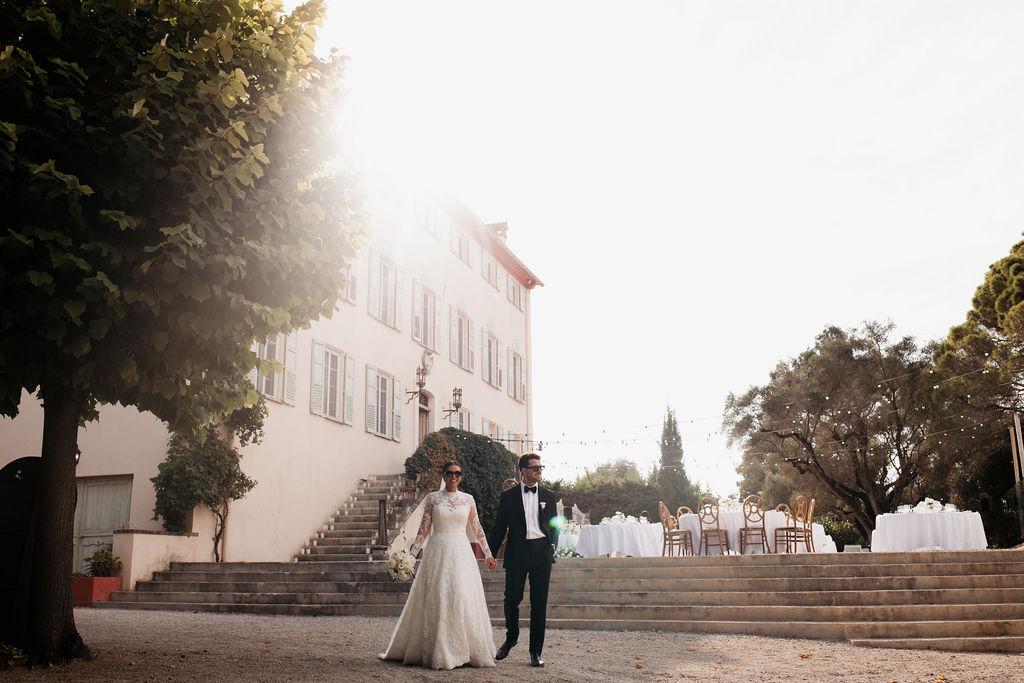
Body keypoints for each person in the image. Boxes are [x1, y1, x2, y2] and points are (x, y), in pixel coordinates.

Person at [379, 461, 499, 670]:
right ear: (443, 476)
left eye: (458, 473)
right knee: (439, 595)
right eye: (450, 473)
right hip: (437, 550)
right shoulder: (433, 498)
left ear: (461, 476)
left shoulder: (468, 499)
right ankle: (438, 648)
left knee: (461, 595)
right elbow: (423, 530)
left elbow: (476, 528)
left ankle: (465, 649)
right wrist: (410, 557)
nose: (454, 477)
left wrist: (488, 554)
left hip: (461, 552)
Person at [487, 452, 558, 668]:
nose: (539, 471)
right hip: (517, 551)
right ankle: (512, 637)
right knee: (512, 599)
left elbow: (555, 524)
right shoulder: (508, 497)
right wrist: (490, 553)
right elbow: (500, 527)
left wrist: (552, 547)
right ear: (523, 470)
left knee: (539, 604)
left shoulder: (549, 495)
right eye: (535, 468)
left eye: (541, 467)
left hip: (541, 553)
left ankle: (535, 652)